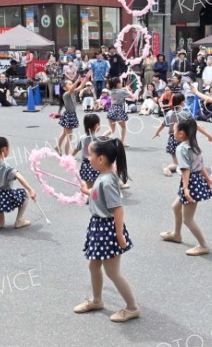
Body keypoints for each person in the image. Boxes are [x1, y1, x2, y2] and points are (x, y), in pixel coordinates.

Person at [76, 138, 139, 323]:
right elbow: (98, 195)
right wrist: (86, 191)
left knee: (112, 271)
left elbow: (118, 209)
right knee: (93, 265)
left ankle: (132, 308)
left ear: (101, 159)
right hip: (98, 227)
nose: (87, 159)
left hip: (108, 229)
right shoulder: (102, 177)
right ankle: (96, 300)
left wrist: (119, 235)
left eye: (90, 155)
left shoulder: (108, 181)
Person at [160, 118, 212, 255]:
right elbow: (200, 165)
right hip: (195, 180)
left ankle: (203, 245)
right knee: (175, 206)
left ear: (182, 133)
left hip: (190, 182)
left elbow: (185, 169)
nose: (173, 133)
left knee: (188, 219)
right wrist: (208, 180)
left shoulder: (181, 148)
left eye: (174, 130)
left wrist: (185, 188)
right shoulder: (193, 144)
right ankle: (176, 234)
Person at [153, 93, 212, 177]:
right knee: (188, 162)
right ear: (182, 102)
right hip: (183, 140)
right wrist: (208, 135)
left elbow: (163, 124)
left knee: (177, 163)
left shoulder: (169, 113)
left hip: (172, 139)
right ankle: (178, 168)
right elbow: (197, 126)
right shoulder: (185, 114)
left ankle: (168, 168)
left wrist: (157, 132)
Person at [56, 76, 86, 155]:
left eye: (71, 83)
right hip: (69, 115)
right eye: (69, 84)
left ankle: (57, 147)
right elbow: (73, 88)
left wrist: (86, 78)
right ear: (64, 88)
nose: (71, 85)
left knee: (64, 134)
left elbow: (81, 86)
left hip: (71, 115)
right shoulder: (66, 94)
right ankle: (66, 155)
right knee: (69, 137)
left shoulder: (73, 92)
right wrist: (77, 80)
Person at [104, 77, 136, 147]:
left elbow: (119, 90)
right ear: (118, 84)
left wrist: (125, 88)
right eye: (121, 83)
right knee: (123, 127)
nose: (122, 84)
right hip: (119, 110)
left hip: (112, 109)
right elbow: (133, 97)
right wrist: (127, 89)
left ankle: (100, 138)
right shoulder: (122, 91)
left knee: (112, 130)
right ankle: (122, 142)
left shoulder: (111, 91)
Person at [72, 114, 102, 188]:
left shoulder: (82, 138)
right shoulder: (97, 140)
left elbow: (76, 149)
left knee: (89, 186)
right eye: (99, 124)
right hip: (95, 164)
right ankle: (92, 198)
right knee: (96, 185)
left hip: (85, 166)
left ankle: (89, 197)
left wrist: (69, 157)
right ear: (96, 126)